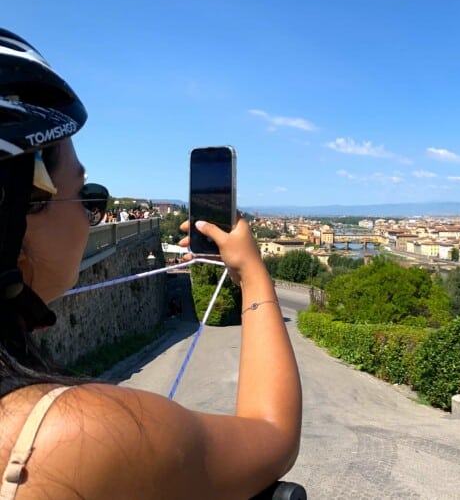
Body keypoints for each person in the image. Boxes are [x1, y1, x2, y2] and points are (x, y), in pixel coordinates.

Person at [0, 29, 302, 498]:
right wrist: (253, 275)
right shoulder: (74, 438)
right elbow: (272, 434)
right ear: (15, 213)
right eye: (85, 195)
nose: (88, 214)